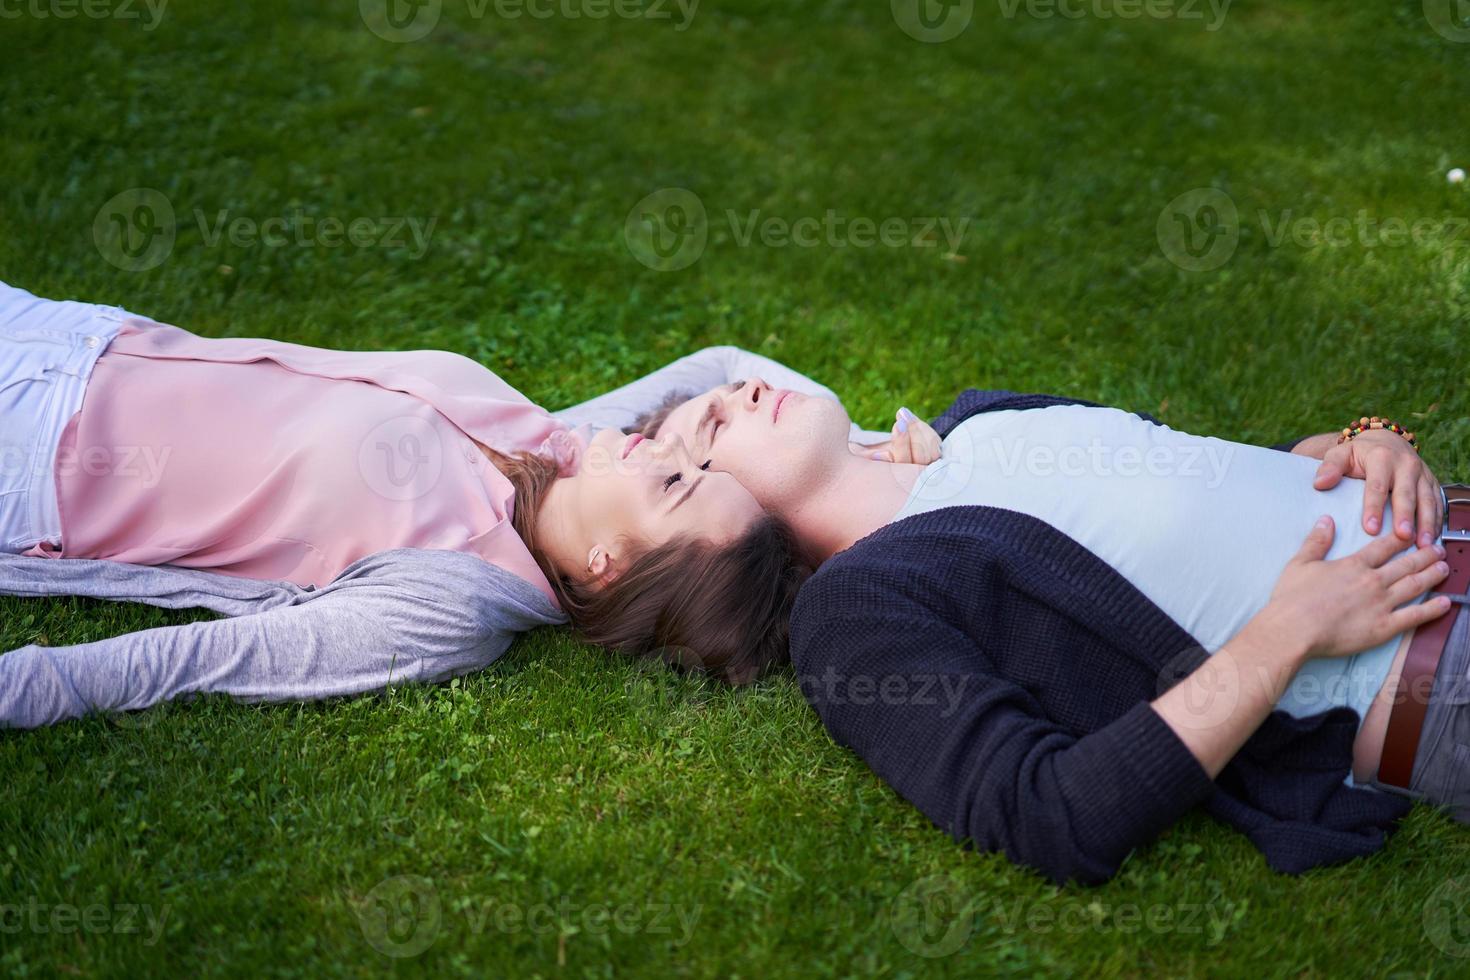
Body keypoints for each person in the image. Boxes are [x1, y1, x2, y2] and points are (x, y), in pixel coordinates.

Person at [646, 376, 1463, 884]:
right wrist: (1284, 635)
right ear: (723, 525)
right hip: (1437, 669)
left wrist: (1350, 448)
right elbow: (1044, 814)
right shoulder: (856, 609)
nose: (743, 389)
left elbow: (1191, 496)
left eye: (725, 393)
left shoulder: (981, 418)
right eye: (710, 430)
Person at [0, 282, 907, 727]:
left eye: (676, 484)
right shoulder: (554, 447)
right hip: (72, 333)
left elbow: (213, 659)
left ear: (610, 566)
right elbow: (722, 367)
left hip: (30, 458)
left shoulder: (456, 598)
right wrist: (857, 453)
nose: (671, 449)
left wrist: (26, 686)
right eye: (694, 463)